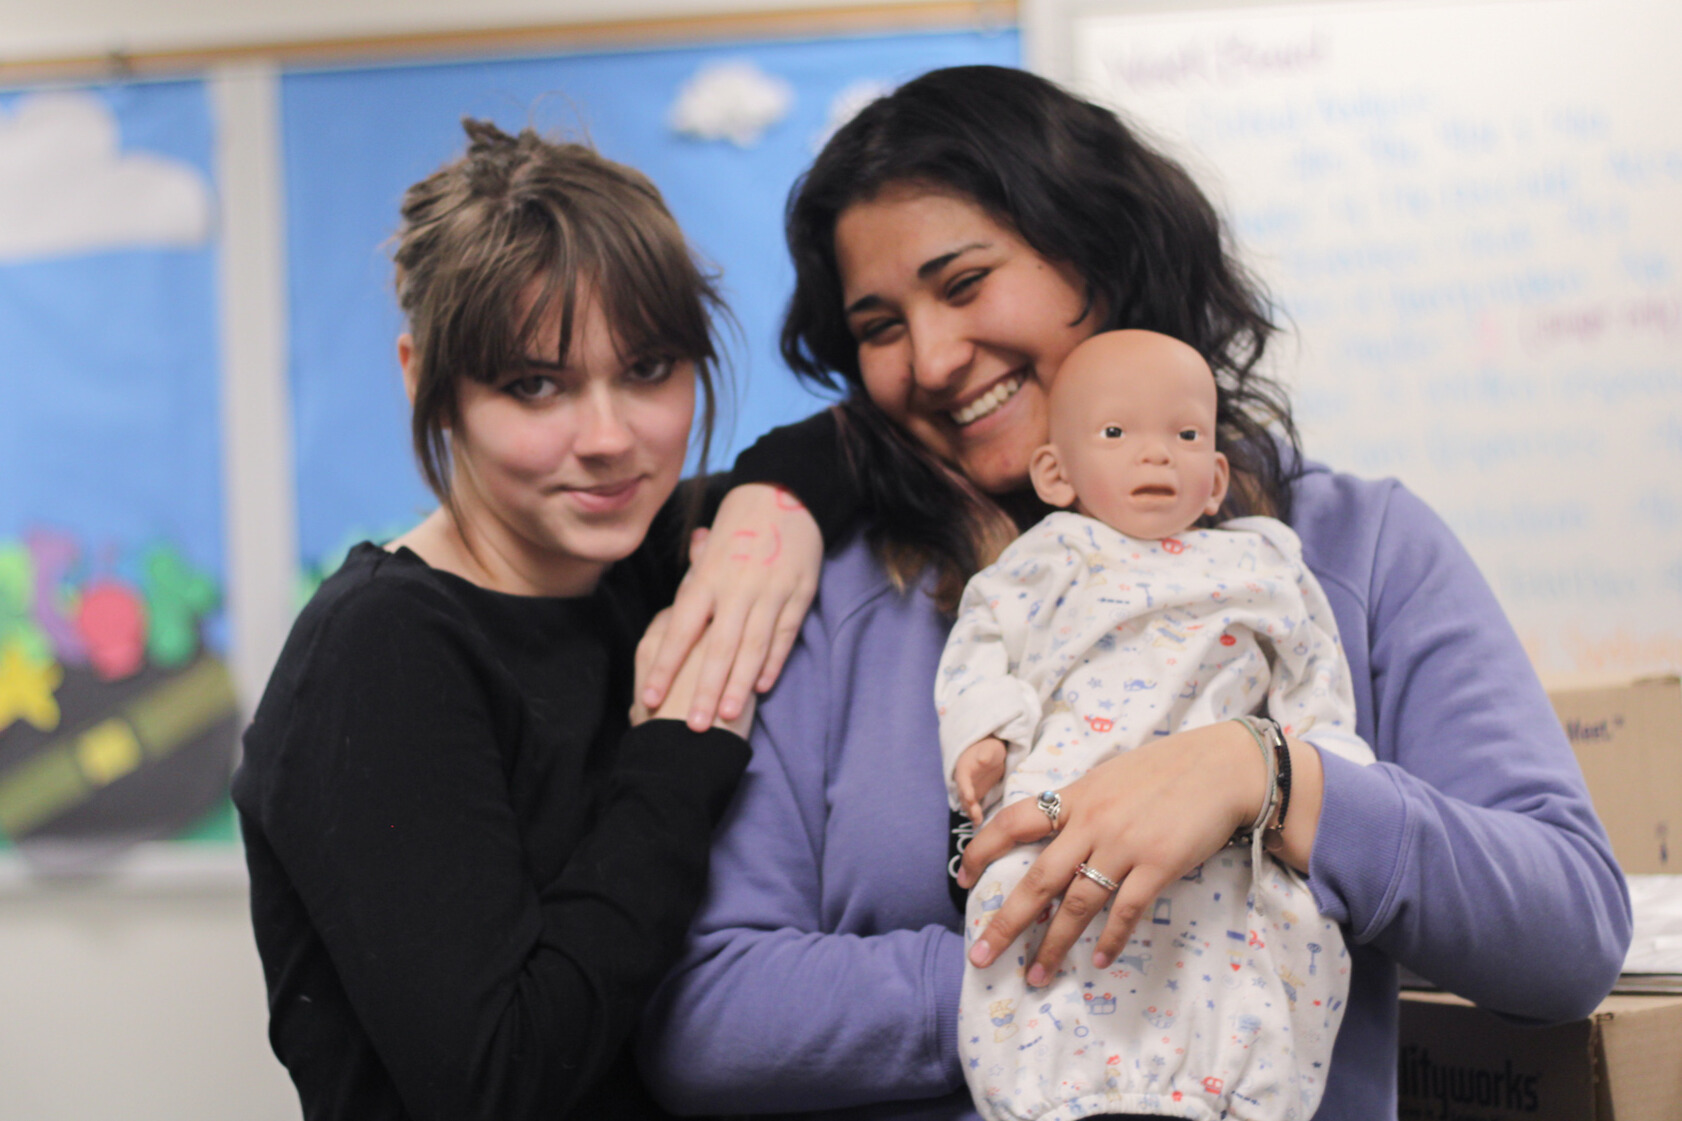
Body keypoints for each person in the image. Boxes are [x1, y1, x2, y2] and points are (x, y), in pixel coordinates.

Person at [638, 66, 1631, 1120]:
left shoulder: (1356, 550)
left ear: (1099, 256)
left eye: (965, 282)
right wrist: (1070, 963)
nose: (929, 356)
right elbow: (704, 1014)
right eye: (880, 325)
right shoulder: (831, 600)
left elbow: (1565, 931)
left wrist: (1271, 777)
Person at [232, 119, 839, 1120]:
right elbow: (499, 1079)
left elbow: (861, 445)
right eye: (534, 384)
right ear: (424, 378)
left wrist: (772, 511)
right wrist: (680, 752)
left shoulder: (629, 559)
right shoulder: (382, 649)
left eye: (647, 369)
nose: (607, 439)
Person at [940, 329, 1372, 1120]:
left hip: (1226, 836)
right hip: (1067, 820)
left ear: (1215, 479)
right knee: (1014, 894)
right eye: (1116, 432)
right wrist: (984, 733)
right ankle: (1047, 1089)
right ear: (1056, 473)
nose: (1155, 455)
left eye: (1184, 435)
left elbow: (1316, 679)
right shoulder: (1045, 558)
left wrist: (1325, 765)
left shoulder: (1265, 565)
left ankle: (1247, 1089)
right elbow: (981, 646)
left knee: (1292, 925)